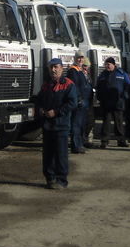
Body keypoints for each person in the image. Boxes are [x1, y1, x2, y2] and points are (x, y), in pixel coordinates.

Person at [36, 58, 77, 189]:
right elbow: (39, 99)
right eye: (51, 67)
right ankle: (50, 178)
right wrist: (40, 109)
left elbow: (72, 103)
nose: (53, 70)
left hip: (61, 126)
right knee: (48, 154)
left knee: (61, 154)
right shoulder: (46, 85)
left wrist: (57, 112)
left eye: (56, 67)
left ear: (61, 68)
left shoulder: (68, 84)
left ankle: (61, 180)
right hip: (48, 126)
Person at [95, 57, 130, 148]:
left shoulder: (121, 73)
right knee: (106, 123)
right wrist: (100, 98)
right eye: (106, 64)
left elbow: (128, 85)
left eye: (109, 64)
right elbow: (98, 87)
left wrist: (124, 96)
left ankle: (121, 141)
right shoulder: (103, 74)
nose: (107, 66)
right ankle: (104, 141)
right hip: (106, 103)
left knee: (119, 123)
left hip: (118, 102)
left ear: (114, 65)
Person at [66, 55, 91, 153]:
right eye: (78, 58)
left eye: (82, 58)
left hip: (85, 101)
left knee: (81, 124)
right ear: (75, 59)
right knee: (76, 124)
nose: (80, 60)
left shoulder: (80, 71)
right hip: (79, 102)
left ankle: (80, 144)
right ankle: (76, 146)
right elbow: (74, 86)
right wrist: (79, 98)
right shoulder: (73, 71)